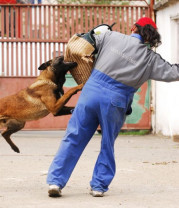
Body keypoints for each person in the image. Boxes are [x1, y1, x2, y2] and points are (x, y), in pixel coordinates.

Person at [46, 17, 179, 197]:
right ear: (150, 38)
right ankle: (98, 186)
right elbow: (173, 72)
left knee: (74, 136)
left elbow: (86, 43)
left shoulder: (110, 37)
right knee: (107, 143)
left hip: (90, 93)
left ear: (133, 28)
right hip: (115, 101)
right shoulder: (151, 59)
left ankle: (55, 181)